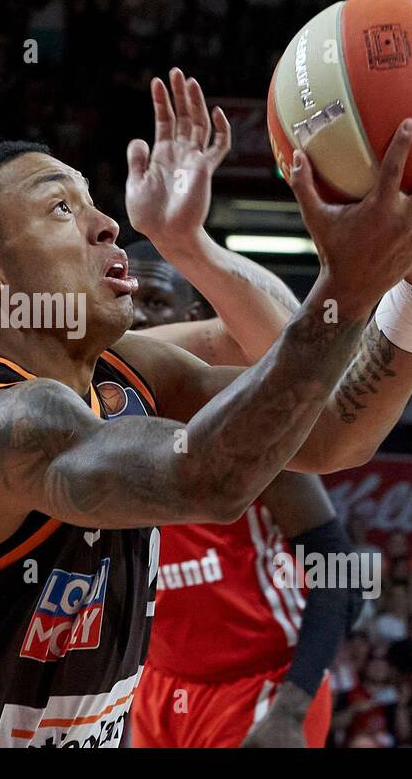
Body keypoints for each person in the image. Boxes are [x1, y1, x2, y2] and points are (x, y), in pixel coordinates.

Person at [0, 74, 412, 745]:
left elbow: (332, 436)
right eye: (60, 209)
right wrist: (349, 280)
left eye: (91, 202)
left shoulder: (129, 371)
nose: (107, 224)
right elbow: (208, 479)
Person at [121, 242, 344, 749]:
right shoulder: (97, 416)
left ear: (195, 320)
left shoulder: (242, 421)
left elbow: (337, 566)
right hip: (159, 687)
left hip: (258, 685)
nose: (136, 317)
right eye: (127, 297)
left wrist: (291, 706)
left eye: (154, 303)